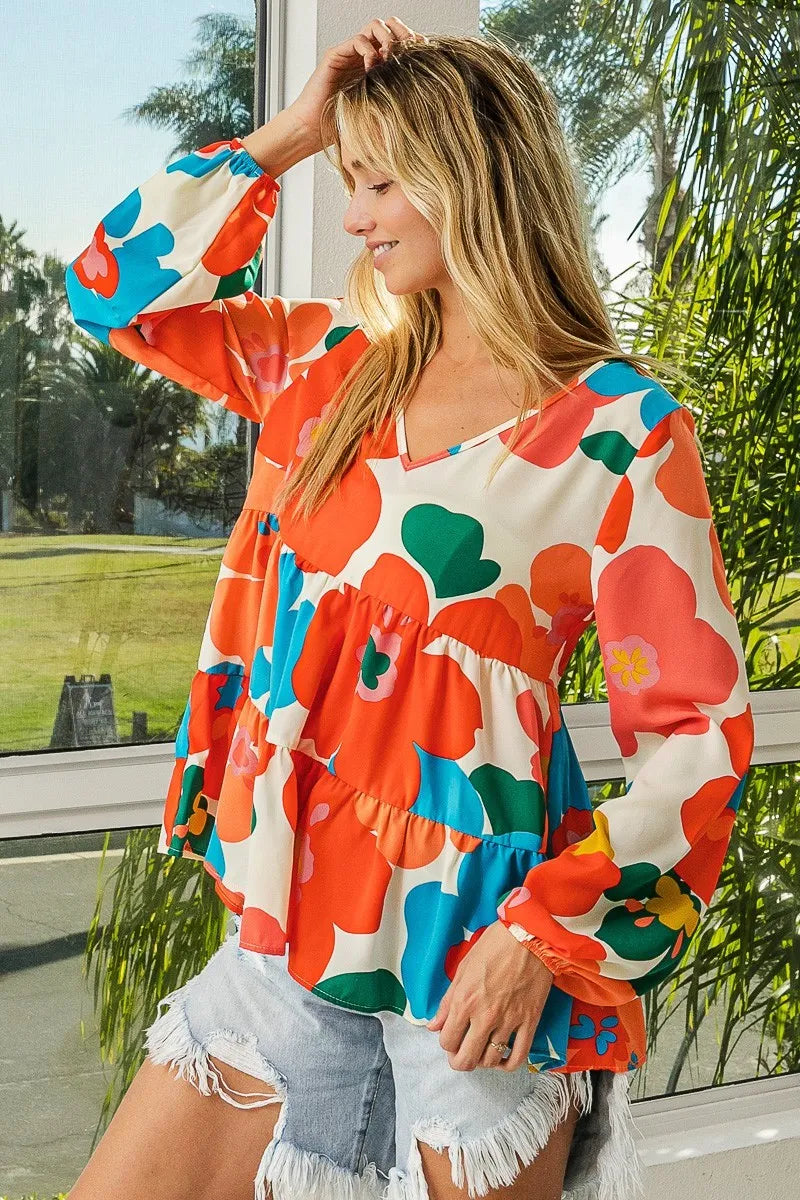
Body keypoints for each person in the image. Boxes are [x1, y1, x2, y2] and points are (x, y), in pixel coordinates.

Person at [63, 16, 755, 1200]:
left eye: (378, 182)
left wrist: (538, 941)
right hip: (286, 939)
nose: (356, 215)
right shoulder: (330, 366)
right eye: (350, 180)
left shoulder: (623, 435)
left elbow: (694, 738)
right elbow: (112, 294)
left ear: (468, 181)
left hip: (474, 968)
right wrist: (286, 137)